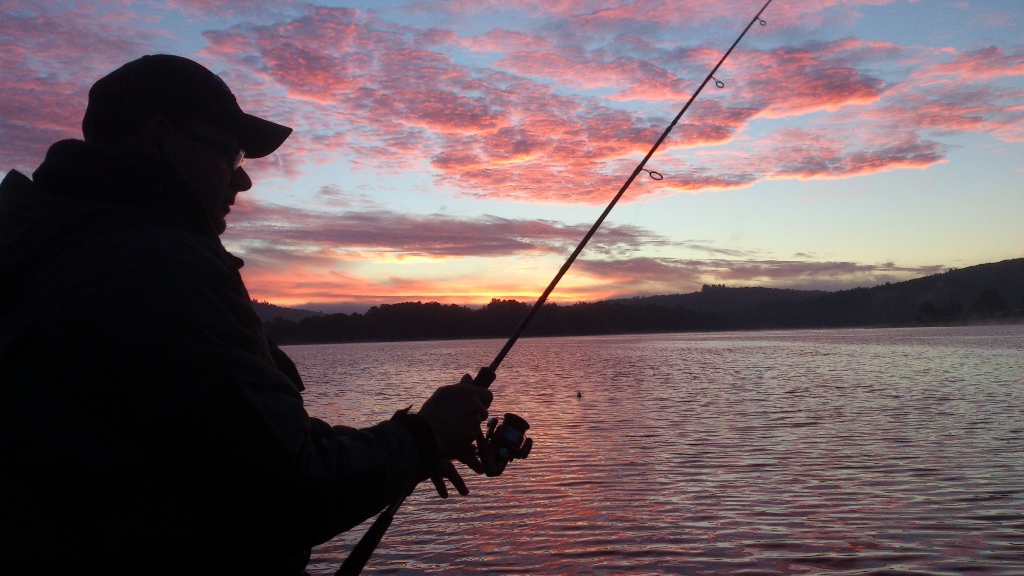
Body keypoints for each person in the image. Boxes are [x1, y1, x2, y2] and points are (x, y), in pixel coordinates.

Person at [0, 55, 493, 575]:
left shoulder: (47, 250)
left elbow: (231, 439)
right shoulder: (157, 269)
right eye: (232, 154)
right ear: (159, 138)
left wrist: (409, 440)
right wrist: (421, 438)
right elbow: (283, 491)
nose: (244, 182)